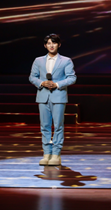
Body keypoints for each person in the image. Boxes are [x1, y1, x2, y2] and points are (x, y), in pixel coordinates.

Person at [29, 33, 77, 166]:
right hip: (43, 97)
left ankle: (56, 154)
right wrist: (42, 83)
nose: (51, 45)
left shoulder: (66, 61)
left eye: (54, 43)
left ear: (59, 45)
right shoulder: (38, 60)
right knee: (45, 126)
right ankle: (46, 154)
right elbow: (32, 77)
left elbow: (72, 78)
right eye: (49, 43)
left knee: (58, 126)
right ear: (45, 45)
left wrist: (57, 84)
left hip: (58, 96)